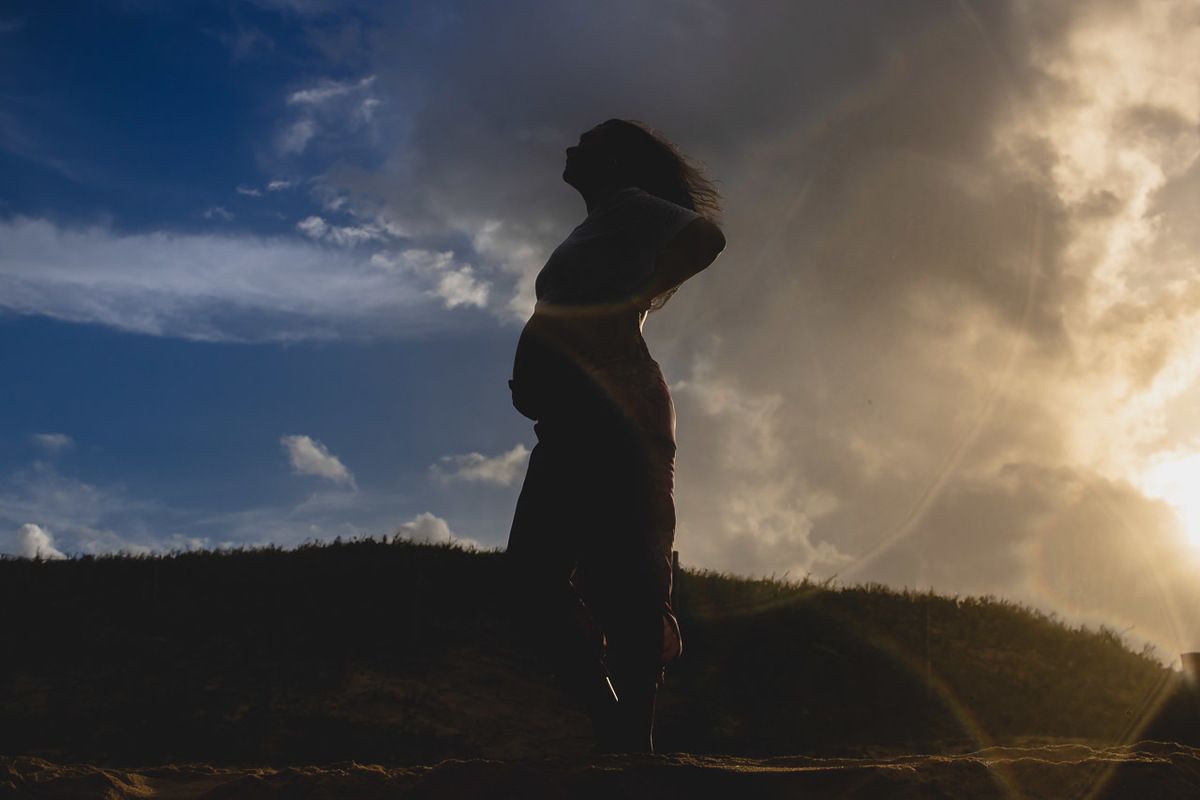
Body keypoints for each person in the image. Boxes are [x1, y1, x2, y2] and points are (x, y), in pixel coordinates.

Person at [506, 118, 725, 754]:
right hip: (577, 413)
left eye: (589, 140)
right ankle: (615, 725)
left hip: (614, 408)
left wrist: (632, 297)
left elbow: (705, 237)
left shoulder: (630, 205)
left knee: (616, 574)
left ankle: (630, 741)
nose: (571, 145)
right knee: (535, 580)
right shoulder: (605, 218)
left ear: (614, 162)